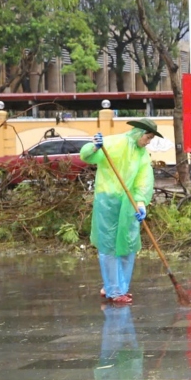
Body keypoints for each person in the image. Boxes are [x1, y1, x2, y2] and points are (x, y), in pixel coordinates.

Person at [80, 119, 159, 305]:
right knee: (108, 246)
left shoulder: (142, 155)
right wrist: (94, 147)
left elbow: (144, 179)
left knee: (128, 244)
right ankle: (114, 291)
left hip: (129, 203)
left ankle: (115, 287)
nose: (148, 142)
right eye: (148, 137)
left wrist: (140, 203)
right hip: (108, 201)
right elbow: (87, 156)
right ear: (140, 133)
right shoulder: (114, 143)